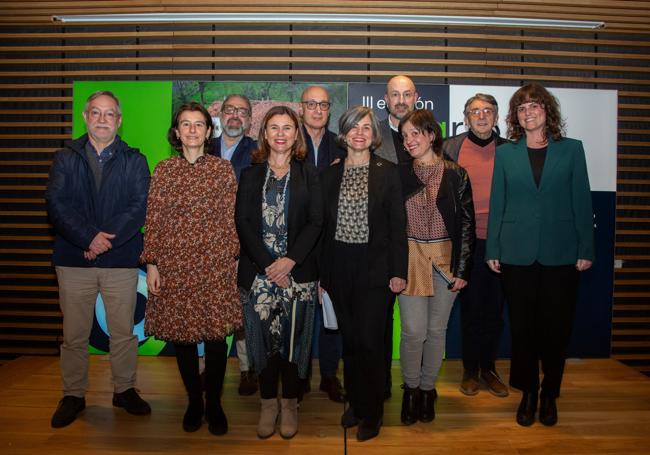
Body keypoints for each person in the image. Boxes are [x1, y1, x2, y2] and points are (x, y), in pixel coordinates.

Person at [486, 83, 594, 427]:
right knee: (523, 329)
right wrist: (494, 248)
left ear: (548, 111)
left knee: (556, 329)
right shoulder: (505, 153)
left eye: (534, 105)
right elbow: (498, 202)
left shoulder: (572, 150)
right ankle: (528, 392)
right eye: (521, 108)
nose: (528, 112)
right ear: (515, 116)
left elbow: (582, 201)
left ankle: (550, 393)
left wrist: (585, 248)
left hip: (561, 254)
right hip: (517, 254)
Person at [46, 90, 151, 428]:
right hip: (73, 259)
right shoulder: (64, 158)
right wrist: (87, 238)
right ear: (85, 117)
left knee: (123, 331)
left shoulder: (135, 159)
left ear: (119, 121)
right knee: (75, 334)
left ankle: (124, 390)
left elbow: (138, 207)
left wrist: (102, 241)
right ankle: (73, 394)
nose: (102, 119)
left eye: (109, 114)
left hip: (120, 259)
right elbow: (57, 205)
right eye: (96, 113)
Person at [141, 102, 241, 435]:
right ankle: (194, 402)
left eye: (199, 124)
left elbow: (231, 220)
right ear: (176, 132)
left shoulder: (221, 170)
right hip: (175, 265)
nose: (193, 130)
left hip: (214, 265)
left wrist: (234, 259)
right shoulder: (164, 170)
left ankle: (213, 401)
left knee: (215, 337)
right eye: (186, 124)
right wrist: (152, 263)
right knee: (181, 336)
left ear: (209, 131)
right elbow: (153, 219)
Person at [320, 105, 407, 442]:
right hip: (340, 269)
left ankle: (372, 412)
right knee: (352, 343)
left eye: (366, 128)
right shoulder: (329, 176)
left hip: (377, 272)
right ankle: (356, 403)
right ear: (343, 134)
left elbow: (399, 227)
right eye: (354, 127)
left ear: (374, 136)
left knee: (371, 342)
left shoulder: (388, 172)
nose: (359, 133)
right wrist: (323, 278)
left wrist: (399, 271)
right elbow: (323, 230)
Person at [236, 106, 322, 439]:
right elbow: (242, 222)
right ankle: (268, 403)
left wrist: (289, 262)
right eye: (274, 127)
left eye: (287, 128)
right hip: (259, 275)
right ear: (265, 133)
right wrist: (269, 265)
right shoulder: (250, 174)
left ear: (295, 134)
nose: (281, 134)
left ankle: (289, 404)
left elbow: (317, 221)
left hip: (297, 275)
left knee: (292, 344)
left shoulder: (309, 173)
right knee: (263, 345)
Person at [397, 109, 475, 425]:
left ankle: (428, 390)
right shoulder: (399, 174)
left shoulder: (457, 174)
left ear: (431, 135)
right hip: (410, 258)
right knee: (413, 332)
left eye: (416, 133)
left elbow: (467, 223)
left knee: (435, 330)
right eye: (404, 136)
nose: (409, 141)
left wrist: (464, 269)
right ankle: (411, 390)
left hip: (446, 260)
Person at [442, 94, 509, 398]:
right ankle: (470, 370)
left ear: (496, 117)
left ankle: (488, 368)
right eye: (475, 112)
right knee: (469, 309)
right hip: (466, 243)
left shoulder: (510, 150)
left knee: (494, 311)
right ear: (466, 117)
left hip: (500, 243)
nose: (481, 116)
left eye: (487, 111)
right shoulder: (451, 147)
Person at [299, 85, 346, 403]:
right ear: (301, 108)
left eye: (323, 105)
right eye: (311, 104)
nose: (317, 110)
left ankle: (329, 375)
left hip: (332, 242)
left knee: (332, 315)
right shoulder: (289, 142)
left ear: (329, 110)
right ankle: (299, 378)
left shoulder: (341, 147)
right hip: (298, 244)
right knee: (300, 316)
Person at [209, 93, 258, 396]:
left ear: (250, 119)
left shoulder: (257, 152)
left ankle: (247, 368)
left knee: (242, 309)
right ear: (220, 115)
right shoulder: (202, 147)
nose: (235, 116)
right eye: (230, 110)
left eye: (242, 111)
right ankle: (207, 368)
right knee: (207, 307)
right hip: (205, 245)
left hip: (243, 245)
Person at [373, 74, 419, 399]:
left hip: (421, 244)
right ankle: (381, 382)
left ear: (415, 97)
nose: (400, 100)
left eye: (406, 94)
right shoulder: (371, 135)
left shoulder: (427, 135)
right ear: (385, 99)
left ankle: (415, 385)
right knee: (382, 319)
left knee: (418, 326)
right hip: (383, 245)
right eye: (394, 94)